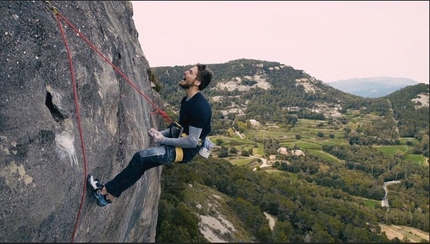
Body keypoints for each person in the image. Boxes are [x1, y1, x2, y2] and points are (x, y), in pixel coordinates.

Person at [87, 64, 213, 207]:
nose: (185, 72)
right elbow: (181, 128)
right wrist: (161, 133)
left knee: (140, 158)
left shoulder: (200, 108)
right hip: (181, 141)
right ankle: (108, 196)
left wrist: (163, 139)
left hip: (183, 151)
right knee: (141, 164)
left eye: (190, 72)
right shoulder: (187, 100)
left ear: (197, 82)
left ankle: (104, 190)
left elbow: (191, 141)